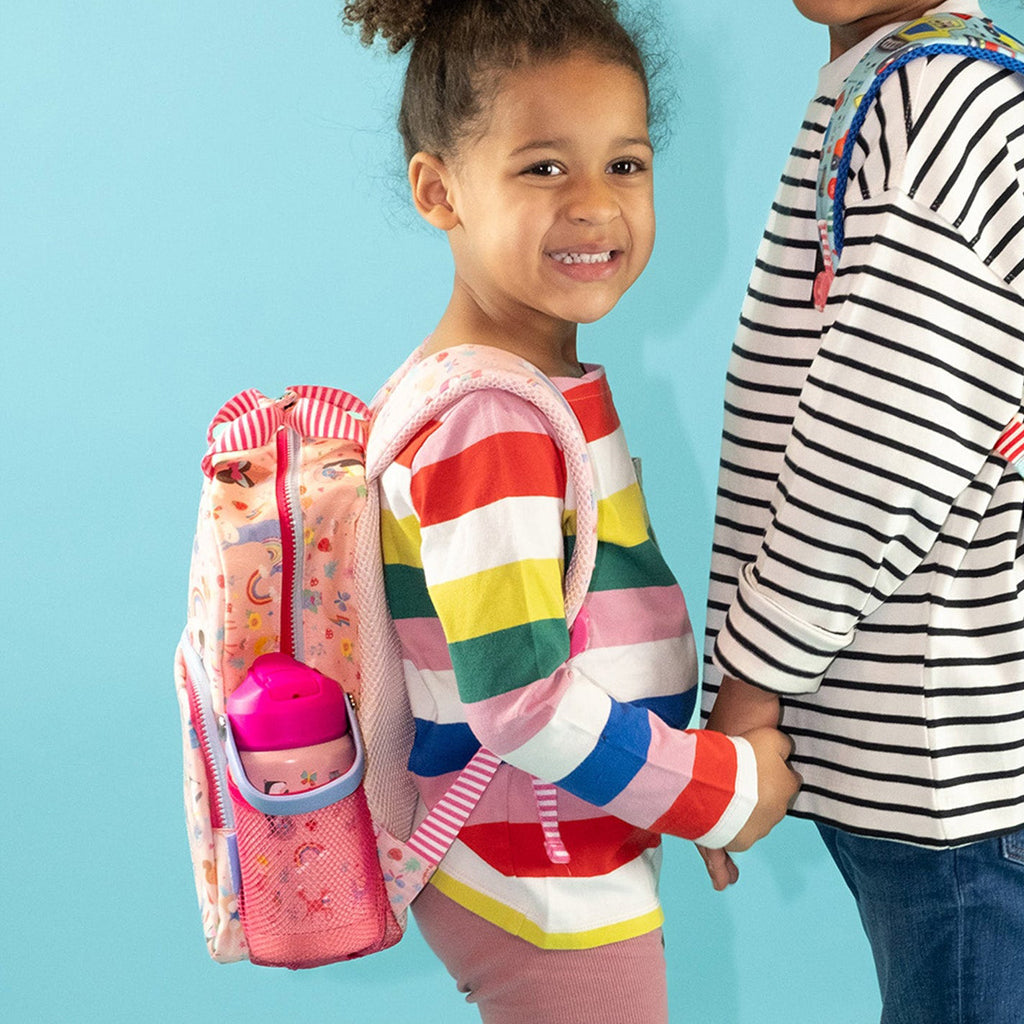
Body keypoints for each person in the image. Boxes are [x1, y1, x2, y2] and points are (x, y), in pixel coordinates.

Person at [344, 1, 800, 1021]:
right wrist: (716, 789)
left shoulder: (514, 388)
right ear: (439, 190)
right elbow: (521, 701)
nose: (594, 204)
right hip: (537, 873)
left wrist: (659, 804)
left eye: (624, 165)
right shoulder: (494, 422)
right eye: (544, 166)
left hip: (557, 839)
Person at [701, 2, 1024, 1021]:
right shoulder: (894, 81)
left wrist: (749, 692)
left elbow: (877, 449)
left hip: (955, 778)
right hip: (927, 772)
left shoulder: (944, 102)